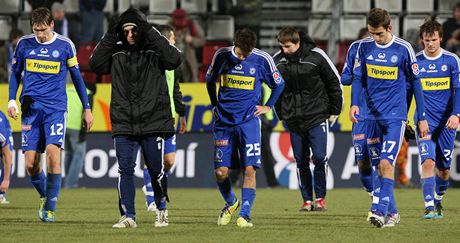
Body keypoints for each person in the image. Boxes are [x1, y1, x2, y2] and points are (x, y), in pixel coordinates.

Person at [90, 8, 183, 228]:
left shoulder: (155, 48)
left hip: (153, 119)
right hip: (124, 120)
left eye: (134, 30)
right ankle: (128, 215)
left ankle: (161, 208)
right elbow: (95, 64)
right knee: (125, 169)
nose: (130, 35)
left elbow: (175, 59)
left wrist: (149, 30)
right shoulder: (115, 49)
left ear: (142, 29)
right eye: (126, 31)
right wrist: (112, 33)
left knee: (156, 169)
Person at [8, 7, 93, 222]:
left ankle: (50, 208)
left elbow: (77, 78)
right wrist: (11, 100)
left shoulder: (65, 45)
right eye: (36, 30)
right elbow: (15, 74)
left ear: (52, 25)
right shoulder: (24, 44)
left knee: (54, 156)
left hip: (55, 109)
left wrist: (87, 108)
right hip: (30, 110)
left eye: (43, 30)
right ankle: (46, 196)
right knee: (30, 164)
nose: (40, 35)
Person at [350, 8, 428, 228]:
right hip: (370, 116)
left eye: (379, 34)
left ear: (389, 28)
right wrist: (354, 104)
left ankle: (378, 211)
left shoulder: (404, 49)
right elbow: (357, 78)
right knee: (377, 166)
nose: (375, 38)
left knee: (386, 162)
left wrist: (421, 117)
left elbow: (416, 84)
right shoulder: (364, 47)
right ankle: (393, 213)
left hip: (395, 117)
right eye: (371, 33)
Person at [206, 28, 285, 227]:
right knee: (221, 172)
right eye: (240, 53)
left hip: (249, 122)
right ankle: (232, 202)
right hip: (224, 122)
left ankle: (245, 215)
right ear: (234, 44)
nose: (242, 57)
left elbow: (279, 83)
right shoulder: (222, 55)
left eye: (246, 54)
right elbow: (209, 79)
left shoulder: (262, 59)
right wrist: (214, 104)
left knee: (249, 169)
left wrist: (268, 105)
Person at [274, 27, 342, 212]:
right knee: (300, 161)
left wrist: (335, 110)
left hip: (317, 115)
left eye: (287, 46)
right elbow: (274, 90)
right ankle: (306, 200)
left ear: (297, 43)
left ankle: (320, 199)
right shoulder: (277, 61)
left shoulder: (317, 56)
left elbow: (334, 82)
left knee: (320, 158)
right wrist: (282, 114)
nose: (284, 50)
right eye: (281, 46)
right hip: (293, 119)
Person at [415, 18, 460, 219]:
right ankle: (428, 206)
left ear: (440, 38)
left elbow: (458, 90)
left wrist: (456, 115)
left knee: (443, 169)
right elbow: (408, 92)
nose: (430, 44)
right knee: (428, 162)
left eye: (433, 39)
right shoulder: (415, 61)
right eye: (427, 40)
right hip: (425, 122)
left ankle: (438, 198)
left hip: (447, 123)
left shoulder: (451, 60)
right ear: (422, 40)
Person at [141, 24, 187, 212]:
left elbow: (175, 89)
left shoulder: (173, 64)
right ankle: (151, 196)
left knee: (169, 161)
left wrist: (182, 112)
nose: (175, 41)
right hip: (150, 116)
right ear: (166, 39)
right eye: (173, 38)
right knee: (153, 159)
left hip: (169, 117)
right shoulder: (148, 60)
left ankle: (152, 182)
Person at [341, 28, 380, 219]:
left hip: (379, 114)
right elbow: (345, 77)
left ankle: (379, 202)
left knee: (378, 159)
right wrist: (359, 72)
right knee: (362, 161)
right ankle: (374, 194)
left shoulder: (386, 51)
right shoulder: (355, 49)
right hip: (360, 114)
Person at [63, 83, 95, 188]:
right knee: (78, 156)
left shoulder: (68, 89)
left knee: (69, 154)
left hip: (63, 125)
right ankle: (70, 184)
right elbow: (86, 114)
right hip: (76, 128)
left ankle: (67, 183)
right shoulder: (88, 93)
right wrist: (83, 132)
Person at [170, 8, 205, 83]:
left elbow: (202, 40)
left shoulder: (191, 25)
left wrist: (192, 39)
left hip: (189, 58)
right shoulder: (169, 26)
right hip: (173, 59)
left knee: (191, 80)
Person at [0, 110, 13, 204]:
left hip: (5, 128)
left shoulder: (1, 133)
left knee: (6, 154)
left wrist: (6, 180)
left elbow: (7, 154)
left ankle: (0, 195)